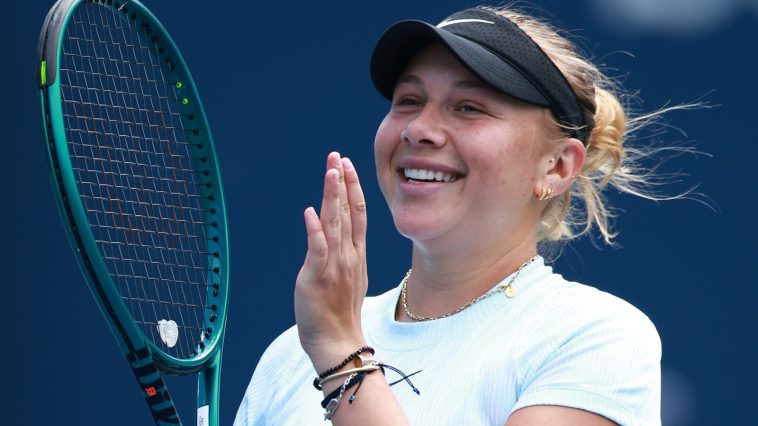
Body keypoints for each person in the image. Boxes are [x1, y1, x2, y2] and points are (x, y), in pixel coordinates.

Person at [235, 5, 671, 425]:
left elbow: (334, 348)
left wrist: (341, 357)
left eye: (468, 107)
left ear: (555, 166)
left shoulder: (595, 336)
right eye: (408, 100)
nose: (418, 129)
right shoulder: (291, 353)